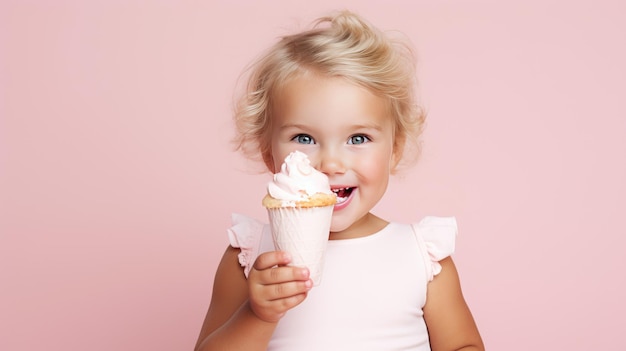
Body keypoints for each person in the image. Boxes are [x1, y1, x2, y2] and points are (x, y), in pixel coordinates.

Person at [195, 10, 484, 351]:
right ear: (268, 153)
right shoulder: (250, 256)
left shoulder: (424, 258)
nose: (330, 163)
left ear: (395, 150)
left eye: (358, 138)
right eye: (304, 138)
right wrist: (257, 315)